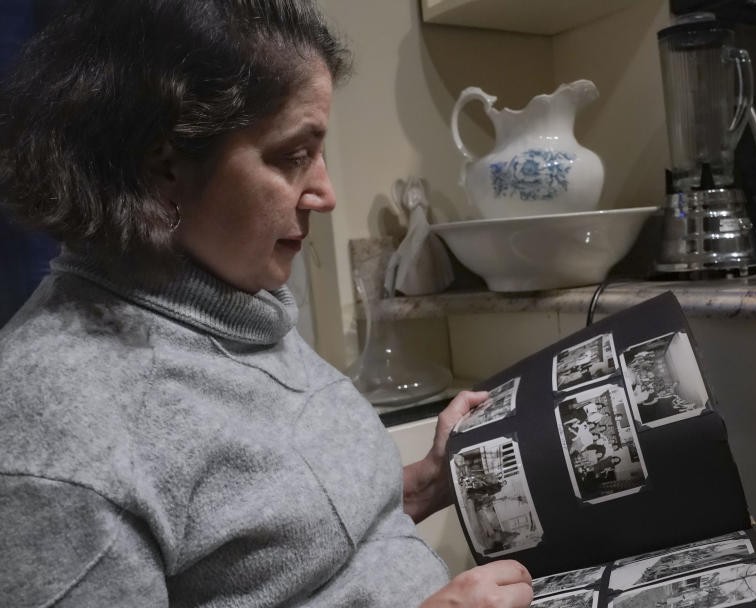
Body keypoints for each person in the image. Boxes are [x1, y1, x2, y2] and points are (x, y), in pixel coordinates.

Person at [0, 1, 533, 606]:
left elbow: (282, 554)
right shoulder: (52, 434)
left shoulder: (238, 305)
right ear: (164, 166)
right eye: (292, 155)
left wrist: (425, 482)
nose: (326, 194)